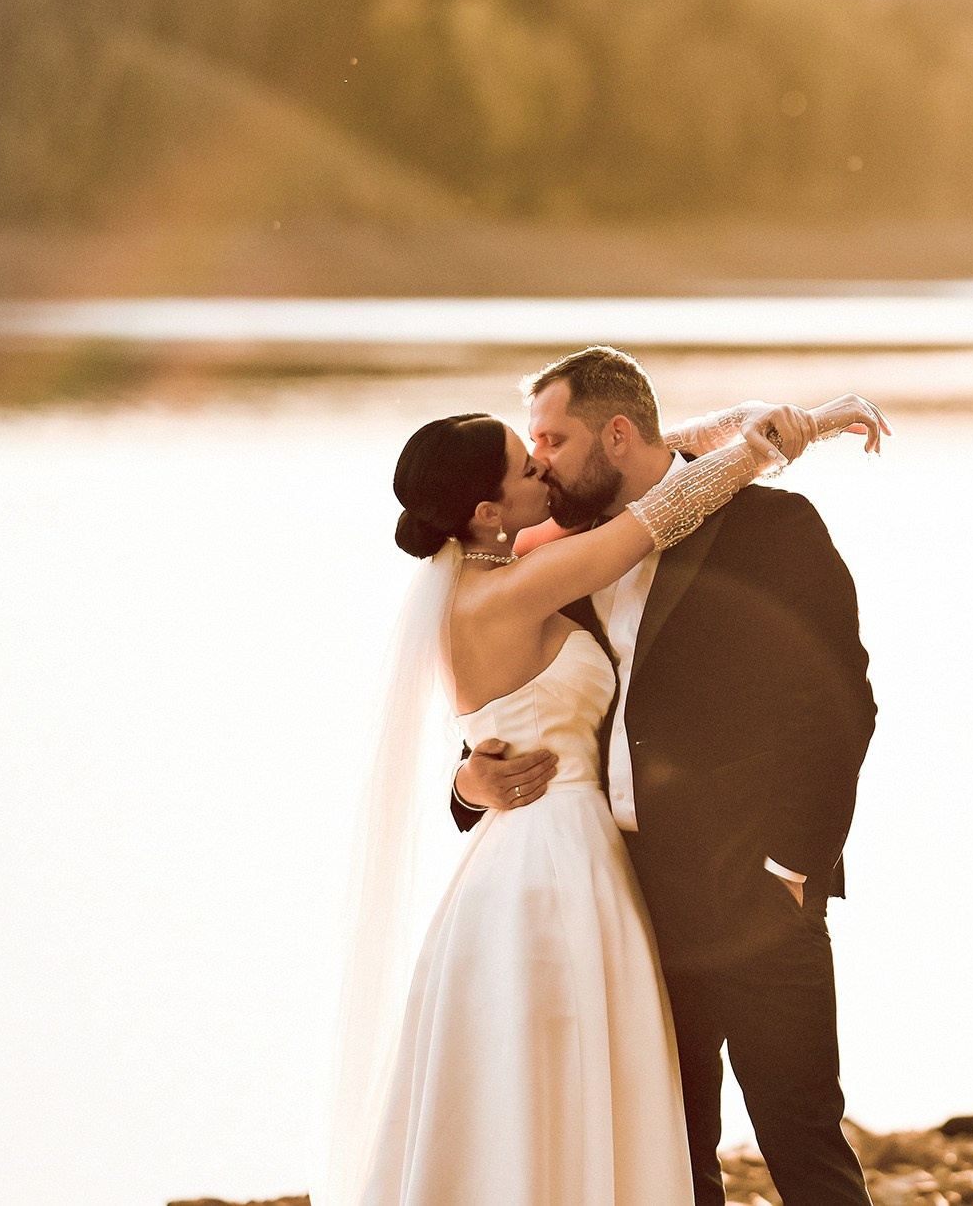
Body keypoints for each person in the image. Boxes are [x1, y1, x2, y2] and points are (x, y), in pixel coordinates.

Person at [324, 378, 886, 1206]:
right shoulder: (537, 571)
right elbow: (659, 511)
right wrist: (468, 776)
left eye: (548, 442)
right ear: (484, 509)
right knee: (648, 1134)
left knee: (793, 1132)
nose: (542, 466)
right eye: (529, 456)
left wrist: (793, 864)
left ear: (615, 432)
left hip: (741, 889)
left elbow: (840, 705)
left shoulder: (548, 554)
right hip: (594, 885)